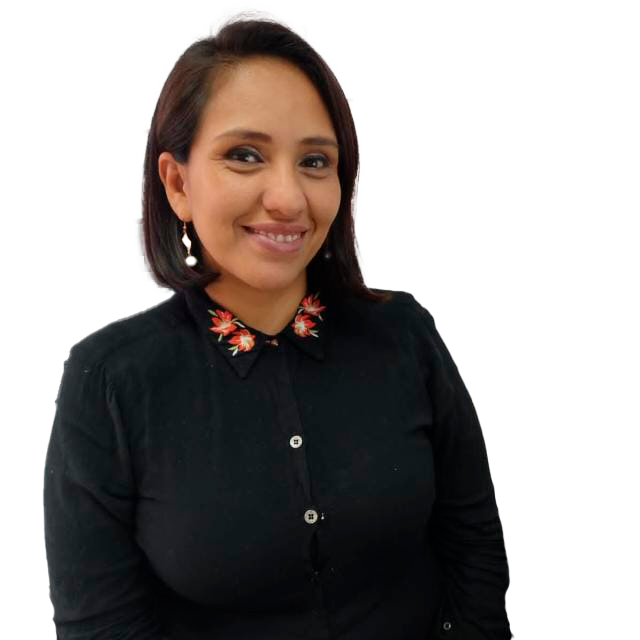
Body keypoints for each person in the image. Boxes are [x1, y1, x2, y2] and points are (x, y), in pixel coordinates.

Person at [43, 12, 513, 640]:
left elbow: (475, 544)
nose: (289, 198)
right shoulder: (107, 382)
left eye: (315, 161)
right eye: (245, 156)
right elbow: (101, 626)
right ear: (178, 184)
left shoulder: (404, 334)